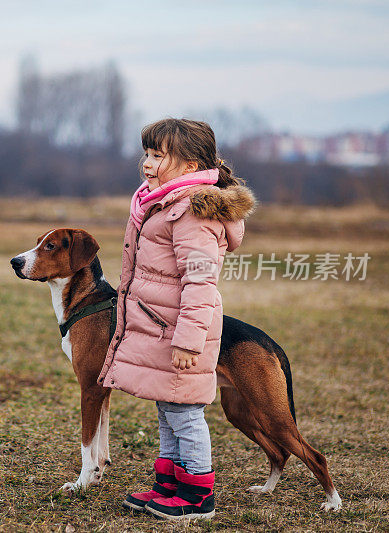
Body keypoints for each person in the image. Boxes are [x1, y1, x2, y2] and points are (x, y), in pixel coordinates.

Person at [97, 118, 257, 521]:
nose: (147, 163)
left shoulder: (193, 212)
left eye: (158, 156)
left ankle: (197, 494)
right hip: (158, 326)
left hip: (179, 333)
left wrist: (188, 340)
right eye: (146, 154)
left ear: (189, 167)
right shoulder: (162, 202)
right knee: (168, 409)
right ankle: (170, 481)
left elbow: (201, 281)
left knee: (186, 415)